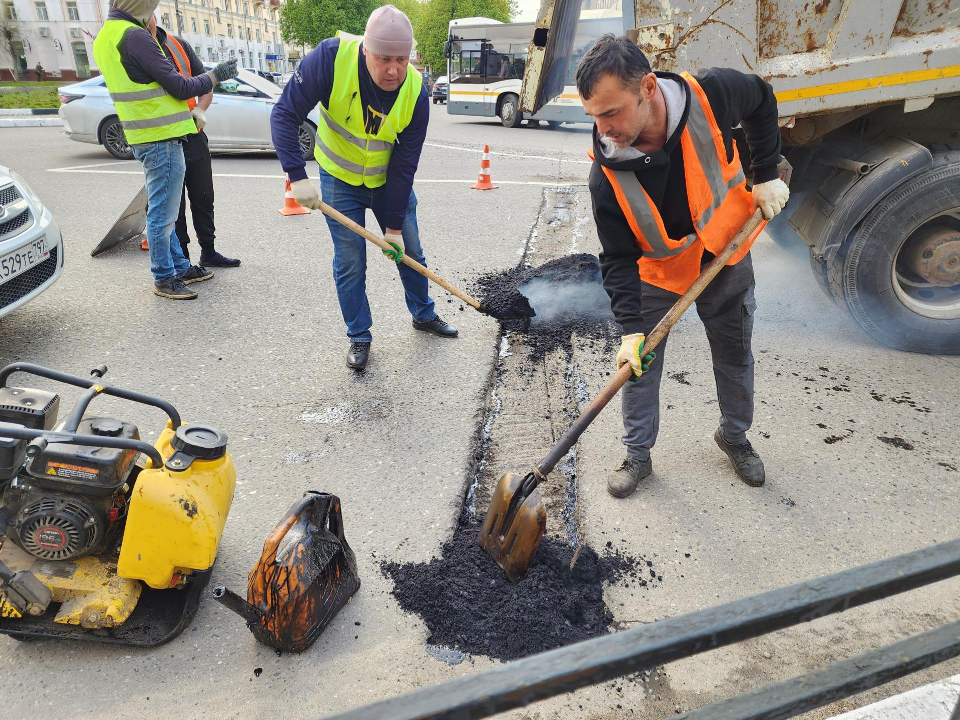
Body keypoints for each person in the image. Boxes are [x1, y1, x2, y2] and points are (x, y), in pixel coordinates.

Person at [575, 35, 789, 497]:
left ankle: (734, 437)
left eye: (611, 112)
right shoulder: (606, 174)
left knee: (734, 354)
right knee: (638, 366)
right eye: (593, 115)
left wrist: (767, 172)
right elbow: (617, 257)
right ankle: (637, 455)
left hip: (726, 253)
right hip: (661, 273)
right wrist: (631, 328)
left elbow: (763, 98)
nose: (603, 128)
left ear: (648, 88)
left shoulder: (711, 95)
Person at [271, 4, 457, 370]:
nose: (394, 70)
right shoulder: (329, 59)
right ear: (366, 50)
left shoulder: (417, 92)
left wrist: (392, 229)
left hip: (388, 180)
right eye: (385, 59)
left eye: (402, 60)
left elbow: (406, 164)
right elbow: (284, 114)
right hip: (339, 180)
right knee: (351, 262)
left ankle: (423, 314)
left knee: (410, 252)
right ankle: (359, 335)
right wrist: (297, 176)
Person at [92, 0, 238, 300]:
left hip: (146, 134)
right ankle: (164, 276)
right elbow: (181, 88)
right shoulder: (135, 36)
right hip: (161, 136)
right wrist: (217, 75)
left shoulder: (108, 34)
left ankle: (180, 266)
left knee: (165, 210)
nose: (153, 14)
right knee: (163, 213)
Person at [147, 15, 240, 268]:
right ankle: (183, 261)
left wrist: (201, 109)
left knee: (203, 196)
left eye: (149, 12)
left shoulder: (178, 45)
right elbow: (178, 87)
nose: (146, 19)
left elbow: (205, 84)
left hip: (193, 132)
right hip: (164, 138)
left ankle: (208, 252)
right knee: (174, 208)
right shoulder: (139, 49)